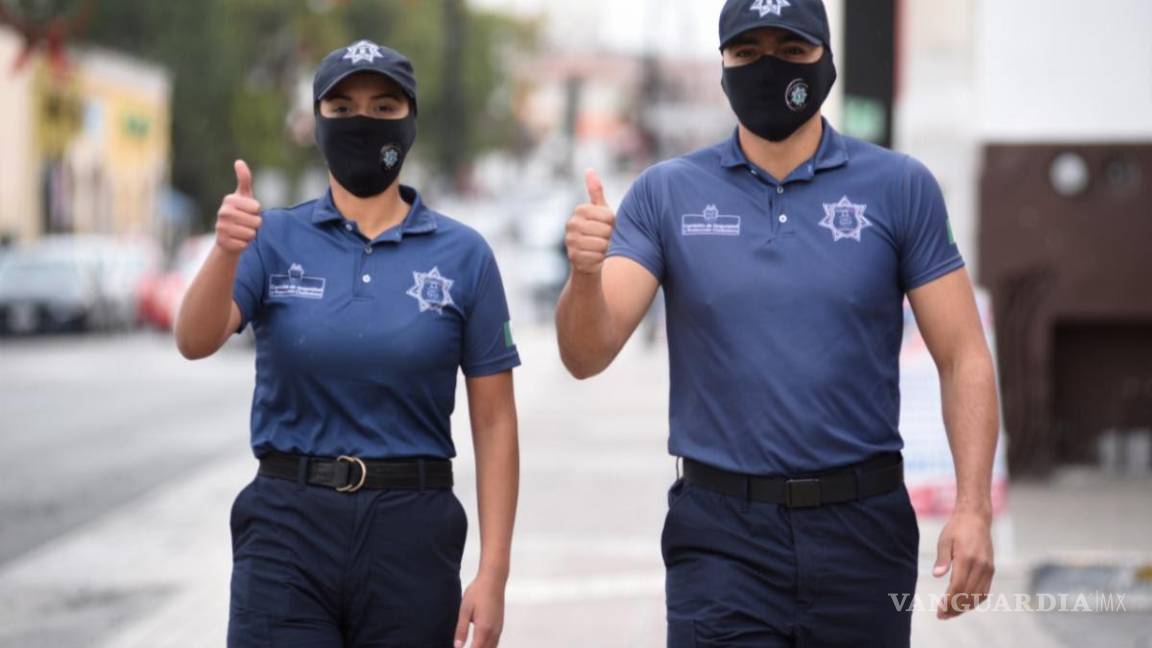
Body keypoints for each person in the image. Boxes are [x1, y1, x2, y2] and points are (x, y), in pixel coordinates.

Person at [555, 1, 999, 645]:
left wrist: (973, 508)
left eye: (790, 51)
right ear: (725, 65)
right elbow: (584, 354)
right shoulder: (667, 192)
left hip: (862, 530)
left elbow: (964, 357)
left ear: (826, 58)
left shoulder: (900, 187)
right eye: (747, 52)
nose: (768, 67)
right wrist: (586, 273)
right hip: (720, 538)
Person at [176, 39, 519, 648]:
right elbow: (194, 339)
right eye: (342, 107)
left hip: (412, 535)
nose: (362, 121)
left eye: (384, 107)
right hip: (287, 529)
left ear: (410, 121)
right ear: (317, 123)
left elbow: (493, 422)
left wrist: (493, 574)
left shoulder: (465, 255)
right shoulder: (270, 237)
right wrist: (227, 249)